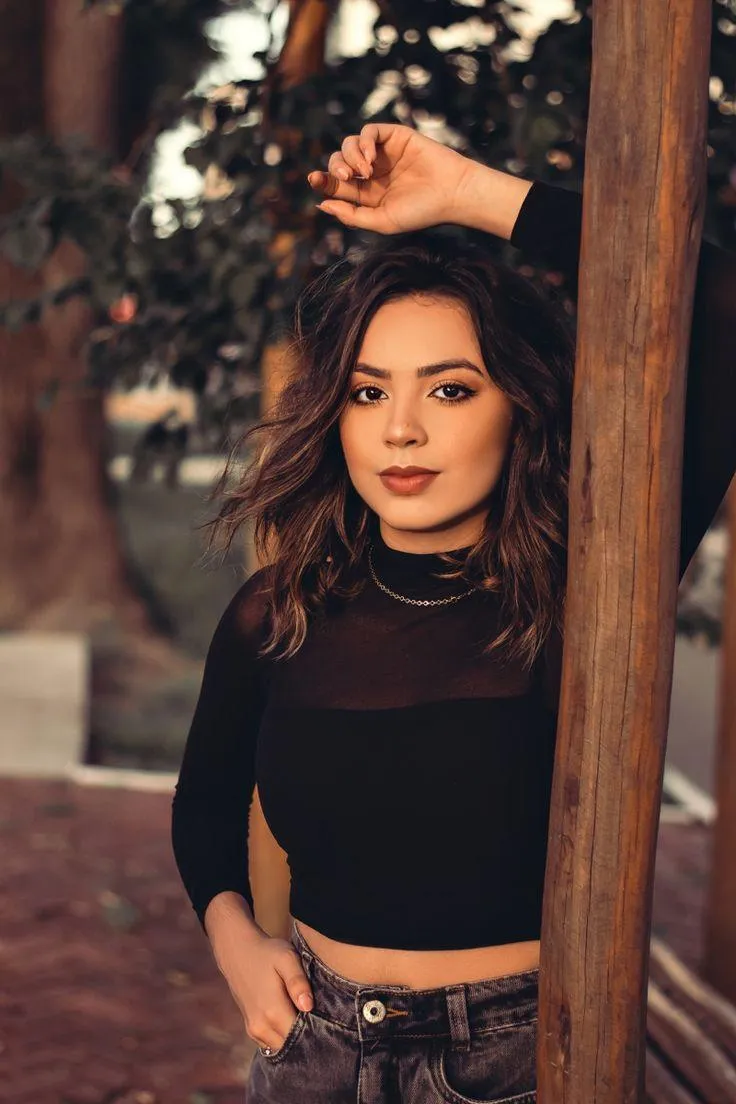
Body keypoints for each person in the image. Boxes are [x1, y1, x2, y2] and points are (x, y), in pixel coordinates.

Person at [171, 123, 736, 1102]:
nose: (401, 428)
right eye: (366, 391)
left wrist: (470, 195)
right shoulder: (281, 612)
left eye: (449, 388)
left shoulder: (594, 588)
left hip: (526, 1063)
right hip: (314, 1053)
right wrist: (233, 934)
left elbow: (722, 302)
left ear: (517, 404)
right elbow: (204, 807)